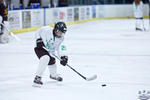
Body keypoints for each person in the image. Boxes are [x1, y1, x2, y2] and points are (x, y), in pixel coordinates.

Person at [33, 22, 68, 86]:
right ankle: (37, 77)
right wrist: (38, 39)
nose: (61, 34)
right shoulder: (47, 30)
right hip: (40, 47)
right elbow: (38, 31)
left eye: (62, 32)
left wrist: (63, 57)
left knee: (52, 61)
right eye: (59, 32)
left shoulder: (61, 38)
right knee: (45, 58)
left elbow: (62, 48)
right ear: (55, 29)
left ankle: (53, 75)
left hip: (50, 51)